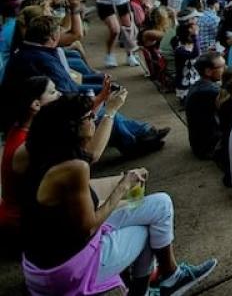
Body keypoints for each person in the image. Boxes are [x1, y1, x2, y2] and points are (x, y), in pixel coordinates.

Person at [19, 95, 216, 296]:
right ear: (72, 128)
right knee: (147, 231)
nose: (94, 119)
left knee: (160, 204)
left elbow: (75, 210)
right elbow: (88, 227)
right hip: (64, 270)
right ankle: (145, 290)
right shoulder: (74, 168)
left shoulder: (42, 156)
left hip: (42, 262)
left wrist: (123, 188)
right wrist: (123, 186)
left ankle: (171, 276)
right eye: (89, 117)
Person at [2, 15, 167, 158]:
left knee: (106, 106)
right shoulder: (41, 59)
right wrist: (95, 100)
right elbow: (69, 92)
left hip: (34, 110)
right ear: (52, 38)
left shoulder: (27, 52)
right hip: (41, 117)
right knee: (105, 114)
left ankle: (145, 133)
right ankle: (135, 143)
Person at [0, 77, 62, 232]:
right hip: (24, 222)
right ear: (36, 104)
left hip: (22, 213)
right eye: (53, 92)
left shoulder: (21, 128)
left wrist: (100, 100)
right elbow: (90, 156)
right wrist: (110, 112)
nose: (59, 94)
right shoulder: (28, 144)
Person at [185, 51, 226, 160]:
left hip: (201, 144)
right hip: (210, 148)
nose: (226, 68)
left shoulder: (199, 85)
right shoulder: (210, 91)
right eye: (222, 66)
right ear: (208, 71)